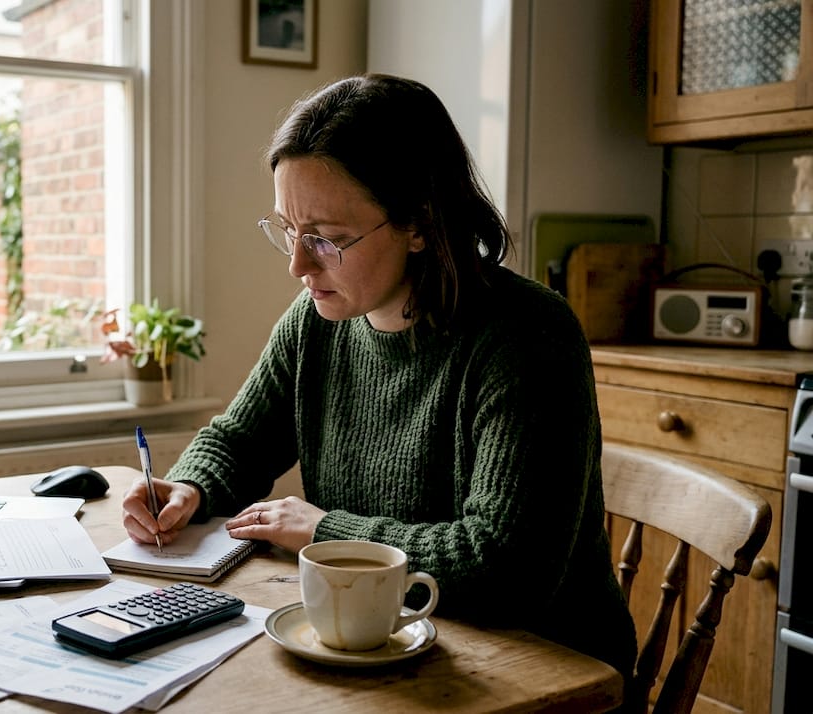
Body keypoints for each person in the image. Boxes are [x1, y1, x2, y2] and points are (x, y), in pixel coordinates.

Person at [120, 73, 635, 678]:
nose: (297, 264)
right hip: (385, 644)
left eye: (328, 239)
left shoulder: (528, 336)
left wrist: (325, 531)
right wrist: (189, 488)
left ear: (418, 224)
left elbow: (504, 568)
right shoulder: (319, 321)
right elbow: (239, 439)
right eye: (288, 230)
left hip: (545, 667)